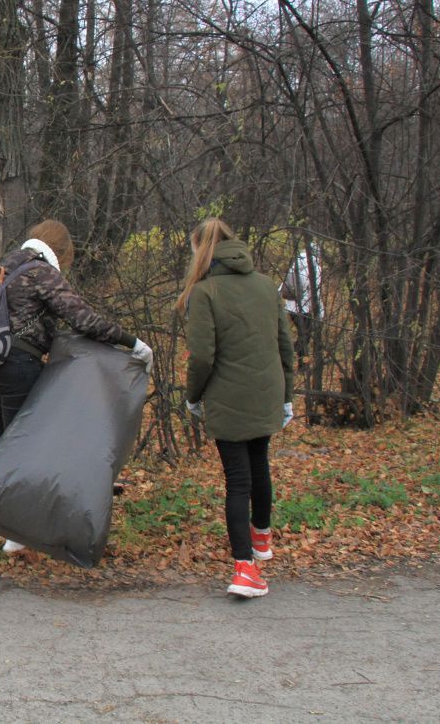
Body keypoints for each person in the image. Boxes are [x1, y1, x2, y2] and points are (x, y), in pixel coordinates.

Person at [0, 219, 152, 554]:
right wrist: (133, 342)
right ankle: (16, 530)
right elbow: (84, 319)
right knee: (24, 451)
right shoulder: (41, 272)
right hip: (16, 367)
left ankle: (0, 521)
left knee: (3, 446)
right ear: (60, 251)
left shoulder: (5, 266)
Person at [178, 218, 294, 598]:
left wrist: (193, 396)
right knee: (259, 464)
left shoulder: (205, 293)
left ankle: (245, 569)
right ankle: (261, 538)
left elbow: (202, 358)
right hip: (266, 392)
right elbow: (284, 346)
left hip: (228, 396)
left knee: (238, 481)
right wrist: (287, 394)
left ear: (201, 249)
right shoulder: (265, 285)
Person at [281, 241, 323, 360]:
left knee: (303, 336)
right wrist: (320, 311)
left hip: (291, 308)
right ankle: (294, 358)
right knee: (305, 338)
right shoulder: (315, 268)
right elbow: (316, 291)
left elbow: (282, 287)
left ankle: (298, 360)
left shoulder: (295, 265)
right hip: (305, 309)